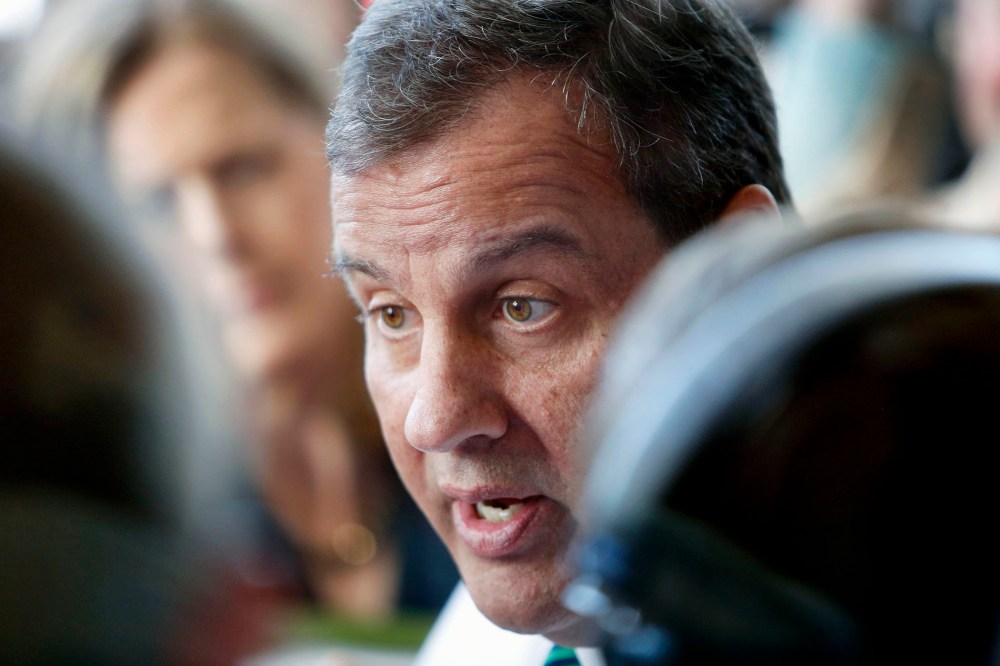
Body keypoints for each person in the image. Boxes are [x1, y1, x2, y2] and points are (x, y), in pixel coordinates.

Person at [326, 0, 789, 661]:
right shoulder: (485, 641)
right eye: (391, 314)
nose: (433, 421)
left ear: (737, 279)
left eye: (522, 307)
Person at [16, 0, 455, 621]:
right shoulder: (131, 532)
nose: (216, 235)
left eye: (243, 168)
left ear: (340, 144)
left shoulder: (465, 412)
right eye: (157, 203)